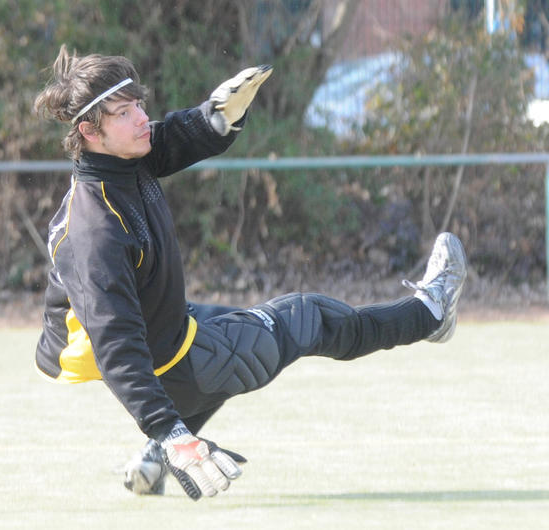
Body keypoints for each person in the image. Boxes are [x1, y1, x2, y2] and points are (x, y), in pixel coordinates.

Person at [33, 45, 467, 501]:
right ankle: (431, 313)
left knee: (234, 330)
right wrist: (170, 431)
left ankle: (152, 459)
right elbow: (117, 345)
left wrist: (215, 119)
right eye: (124, 113)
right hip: (158, 362)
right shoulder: (94, 233)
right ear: (89, 131)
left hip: (161, 333)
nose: (142, 118)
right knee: (308, 318)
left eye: (138, 104)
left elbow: (170, 140)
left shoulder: (122, 159)